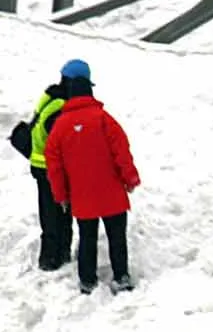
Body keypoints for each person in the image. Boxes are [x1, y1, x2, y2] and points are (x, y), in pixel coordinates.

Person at [44, 60, 141, 295]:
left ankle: (88, 281)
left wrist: (61, 196)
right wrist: (130, 179)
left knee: (87, 238)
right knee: (117, 237)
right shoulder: (104, 119)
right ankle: (122, 276)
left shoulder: (60, 126)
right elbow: (122, 151)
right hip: (112, 194)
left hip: (82, 197)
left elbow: (54, 165)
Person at [27, 62, 83, 271]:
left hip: (39, 164)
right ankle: (56, 256)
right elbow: (58, 138)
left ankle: (52, 255)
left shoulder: (50, 97)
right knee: (61, 212)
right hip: (52, 168)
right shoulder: (61, 105)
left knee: (48, 212)